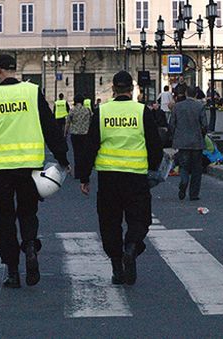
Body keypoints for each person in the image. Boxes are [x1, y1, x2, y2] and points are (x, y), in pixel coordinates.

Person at [0, 54, 70, 288]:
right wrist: (62, 157)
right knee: (28, 212)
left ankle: (13, 271)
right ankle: (30, 246)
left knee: (3, 220)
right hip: (29, 165)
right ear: (15, 70)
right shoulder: (31, 91)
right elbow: (50, 126)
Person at [79, 70, 163, 286]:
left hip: (108, 177)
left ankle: (117, 267)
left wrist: (84, 176)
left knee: (109, 223)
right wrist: (153, 168)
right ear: (132, 89)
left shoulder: (102, 111)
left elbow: (91, 145)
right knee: (140, 219)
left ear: (114, 89)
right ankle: (132, 246)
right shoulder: (141, 111)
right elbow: (155, 145)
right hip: (136, 176)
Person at [170, 86, 208, 201]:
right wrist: (202, 135)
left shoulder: (177, 106)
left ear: (186, 93)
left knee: (183, 166)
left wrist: (174, 136)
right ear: (196, 94)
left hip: (182, 142)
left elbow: (172, 124)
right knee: (197, 168)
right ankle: (194, 194)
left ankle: (184, 181)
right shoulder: (200, 106)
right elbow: (205, 125)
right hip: (197, 141)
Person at [65, 94, 93, 179]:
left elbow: (68, 123)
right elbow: (92, 120)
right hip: (85, 134)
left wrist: (65, 133)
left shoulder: (72, 110)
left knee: (76, 154)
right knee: (84, 154)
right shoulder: (87, 110)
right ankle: (84, 172)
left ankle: (77, 173)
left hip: (75, 135)